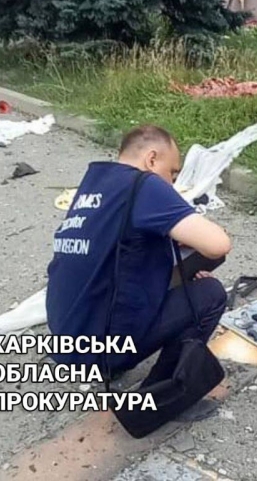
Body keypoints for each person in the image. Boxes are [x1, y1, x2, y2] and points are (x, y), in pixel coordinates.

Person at [46, 124, 232, 386]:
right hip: (98, 354)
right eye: (172, 172)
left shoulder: (95, 182)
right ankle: (161, 392)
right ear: (152, 159)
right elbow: (219, 244)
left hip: (65, 341)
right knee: (210, 293)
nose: (172, 183)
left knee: (183, 253)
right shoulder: (144, 184)